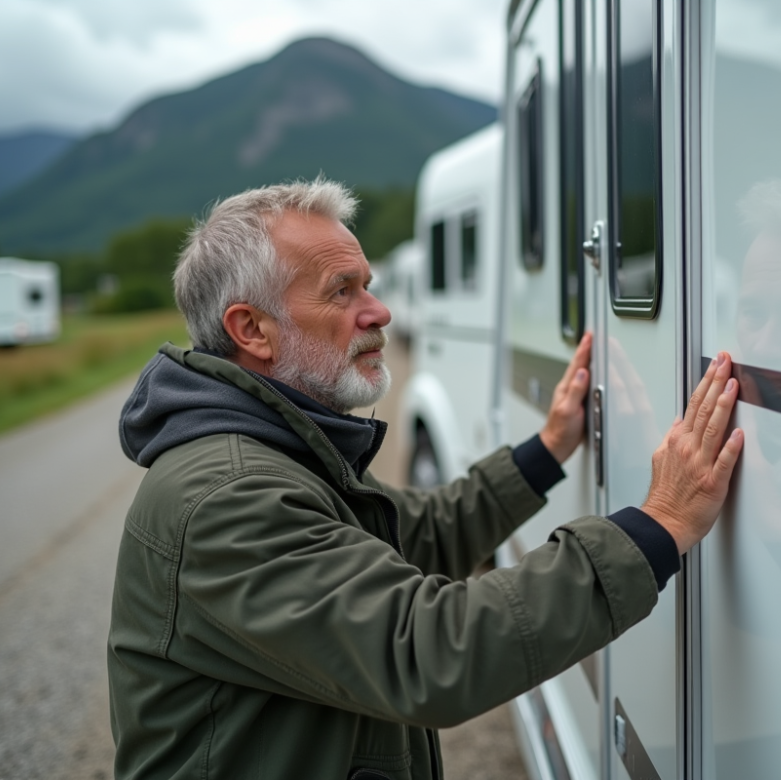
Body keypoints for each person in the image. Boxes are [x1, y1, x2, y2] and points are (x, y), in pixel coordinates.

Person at [108, 179, 744, 780]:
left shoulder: (277, 452)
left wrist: (549, 448)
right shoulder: (230, 495)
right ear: (252, 330)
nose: (380, 311)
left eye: (370, 286)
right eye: (342, 291)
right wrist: (658, 525)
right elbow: (429, 653)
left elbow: (422, 530)